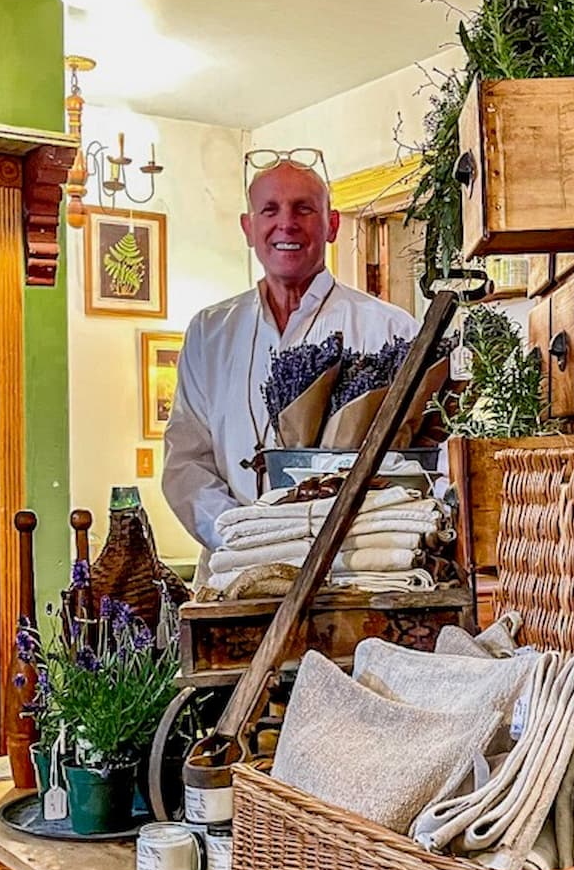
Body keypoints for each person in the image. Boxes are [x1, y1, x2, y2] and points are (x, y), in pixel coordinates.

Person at [162, 154, 418, 569]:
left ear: (332, 225)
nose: (286, 224)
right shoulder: (209, 331)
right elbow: (185, 463)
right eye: (270, 210)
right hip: (232, 570)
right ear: (249, 228)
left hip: (349, 572)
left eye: (303, 208)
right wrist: (245, 540)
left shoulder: (391, 330)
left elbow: (411, 465)